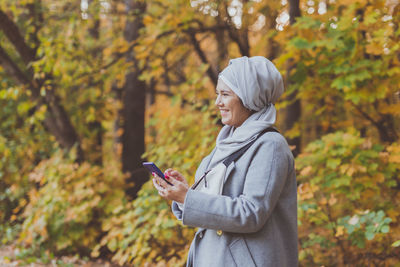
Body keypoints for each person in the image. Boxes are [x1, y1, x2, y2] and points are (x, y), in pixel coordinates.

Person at [152, 56, 298, 267]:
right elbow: (212, 207)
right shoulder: (226, 142)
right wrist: (185, 192)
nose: (217, 102)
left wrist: (188, 198)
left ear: (250, 97)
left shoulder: (270, 146)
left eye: (225, 94)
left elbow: (251, 213)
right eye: (217, 94)